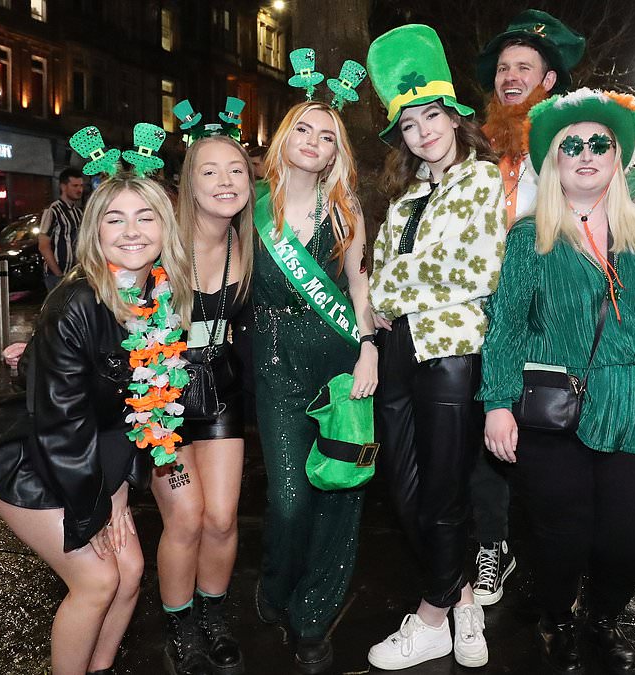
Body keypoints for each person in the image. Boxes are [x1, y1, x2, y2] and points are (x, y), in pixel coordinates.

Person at [471, 9, 635, 605]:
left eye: (600, 145)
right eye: (573, 146)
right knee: (559, 538)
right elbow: (507, 328)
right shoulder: (530, 238)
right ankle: (559, 620)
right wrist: (496, 405)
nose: (587, 154)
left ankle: (602, 616)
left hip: (634, 403)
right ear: (556, 162)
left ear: (619, 159)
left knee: (631, 541)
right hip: (552, 407)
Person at [0, 172, 193, 675]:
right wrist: (91, 510)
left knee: (129, 569)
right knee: (96, 581)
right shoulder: (77, 303)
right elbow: (61, 427)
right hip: (25, 457)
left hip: (88, 454)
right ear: (95, 231)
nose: (131, 230)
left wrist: (114, 496)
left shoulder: (156, 296)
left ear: (165, 228)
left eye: (145, 216)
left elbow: (137, 413)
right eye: (115, 219)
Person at [363, 25, 505, 670]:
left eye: (431, 117)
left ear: (454, 117)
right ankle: (465, 598)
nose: (422, 133)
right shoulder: (403, 199)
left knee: (446, 489)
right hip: (400, 352)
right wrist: (396, 283)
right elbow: (382, 277)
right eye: (410, 125)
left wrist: (394, 284)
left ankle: (429, 617)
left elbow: (478, 270)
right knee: (406, 488)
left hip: (453, 352)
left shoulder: (482, 183)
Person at [250, 97, 377, 675]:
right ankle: (278, 586)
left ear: (334, 154)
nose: (313, 140)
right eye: (302, 128)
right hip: (275, 360)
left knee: (338, 488)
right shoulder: (250, 209)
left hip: (339, 359)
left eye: (326, 137)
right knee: (290, 498)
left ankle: (314, 614)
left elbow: (359, 286)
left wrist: (369, 349)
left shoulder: (345, 208)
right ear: (283, 137)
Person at [154, 133, 254, 675]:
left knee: (220, 517)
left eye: (236, 171)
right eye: (210, 171)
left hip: (219, 387)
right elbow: (98, 284)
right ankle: (180, 623)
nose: (224, 182)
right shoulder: (161, 238)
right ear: (189, 183)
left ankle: (214, 615)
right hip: (159, 392)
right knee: (187, 517)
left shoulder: (251, 242)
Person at [39, 167, 86, 290]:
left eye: (81, 186)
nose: (79, 189)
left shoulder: (78, 212)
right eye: (75, 186)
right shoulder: (53, 210)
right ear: (63, 187)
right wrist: (59, 275)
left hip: (74, 274)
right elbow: (43, 245)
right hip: (57, 276)